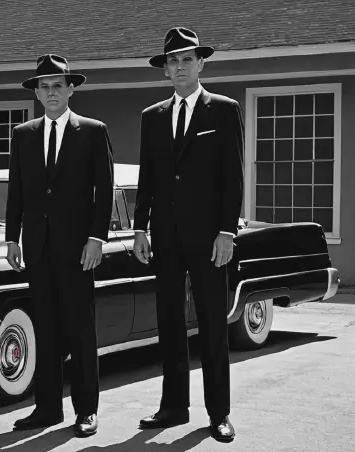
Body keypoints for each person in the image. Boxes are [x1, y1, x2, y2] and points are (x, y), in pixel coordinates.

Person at [131, 27, 244, 443]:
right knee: (169, 321)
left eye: (186, 59)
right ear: (165, 70)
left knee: (213, 323)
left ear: (201, 64)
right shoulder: (153, 116)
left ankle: (219, 413)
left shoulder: (224, 110)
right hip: (165, 236)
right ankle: (174, 406)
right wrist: (139, 227)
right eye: (172, 61)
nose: (179, 66)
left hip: (210, 238)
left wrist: (227, 231)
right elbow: (148, 177)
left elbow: (233, 177)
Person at [5, 54, 114, 438]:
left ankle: (86, 411)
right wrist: (11, 237)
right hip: (37, 249)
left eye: (57, 85)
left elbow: (104, 191)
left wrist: (96, 238)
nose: (51, 92)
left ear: (70, 89)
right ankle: (47, 410)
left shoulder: (92, 131)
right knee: (46, 332)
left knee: (81, 332)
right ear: (36, 93)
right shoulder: (23, 134)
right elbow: (16, 190)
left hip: (78, 251)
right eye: (44, 86)